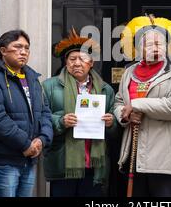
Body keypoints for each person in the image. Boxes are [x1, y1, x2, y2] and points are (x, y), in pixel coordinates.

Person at [114, 15, 171, 197]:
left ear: (167, 47)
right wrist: (125, 115)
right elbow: (118, 102)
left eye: (160, 44)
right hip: (133, 154)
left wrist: (136, 104)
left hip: (163, 157)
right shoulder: (129, 73)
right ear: (139, 48)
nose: (155, 48)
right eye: (149, 44)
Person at [42, 29, 117, 197]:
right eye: (72, 59)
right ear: (66, 62)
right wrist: (61, 121)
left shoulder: (106, 90)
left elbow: (116, 130)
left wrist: (112, 123)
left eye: (82, 59)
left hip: (94, 165)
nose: (77, 63)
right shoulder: (49, 87)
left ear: (91, 63)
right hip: (63, 163)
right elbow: (41, 119)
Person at [0, 29, 53, 197]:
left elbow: (45, 112)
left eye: (27, 48)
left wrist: (42, 140)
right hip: (5, 159)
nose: (24, 52)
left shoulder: (32, 77)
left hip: (30, 158)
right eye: (18, 47)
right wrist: (25, 144)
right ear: (3, 50)